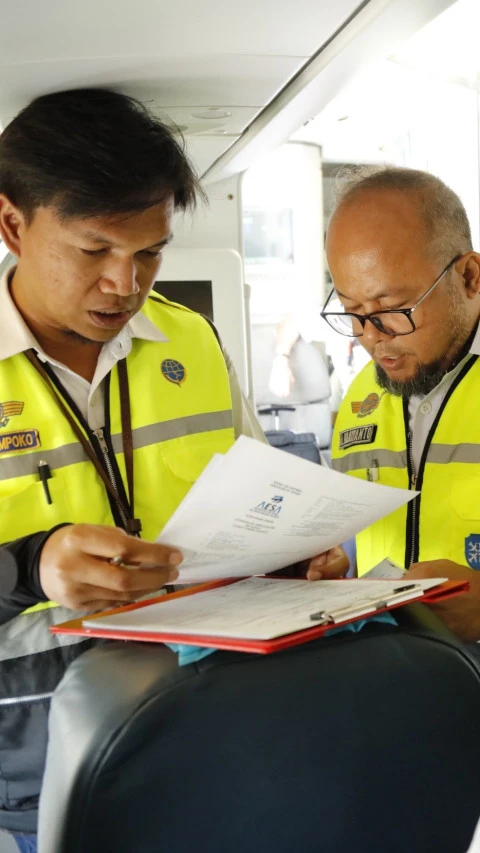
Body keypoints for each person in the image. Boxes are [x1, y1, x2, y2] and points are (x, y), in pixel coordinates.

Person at [0, 88, 347, 851]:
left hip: (215, 732)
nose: (126, 283)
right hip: (34, 775)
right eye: (95, 251)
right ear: (13, 225)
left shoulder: (193, 341)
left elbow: (258, 503)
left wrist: (294, 557)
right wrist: (31, 565)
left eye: (149, 251)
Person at [308, 164, 480, 645]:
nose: (370, 338)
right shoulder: (362, 395)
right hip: (394, 682)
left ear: (469, 276)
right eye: (352, 313)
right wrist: (338, 566)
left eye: (392, 311)